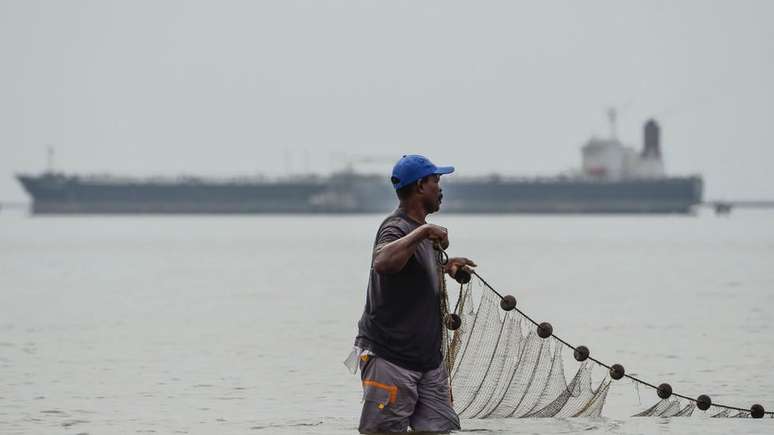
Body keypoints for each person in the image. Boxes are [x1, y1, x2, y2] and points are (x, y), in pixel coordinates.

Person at [351, 154, 476, 433]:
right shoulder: (396, 227)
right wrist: (423, 233)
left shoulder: (419, 234)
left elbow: (413, 269)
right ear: (420, 186)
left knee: (442, 429)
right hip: (390, 359)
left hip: (428, 363)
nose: (440, 188)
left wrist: (447, 266)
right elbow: (383, 262)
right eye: (436, 181)